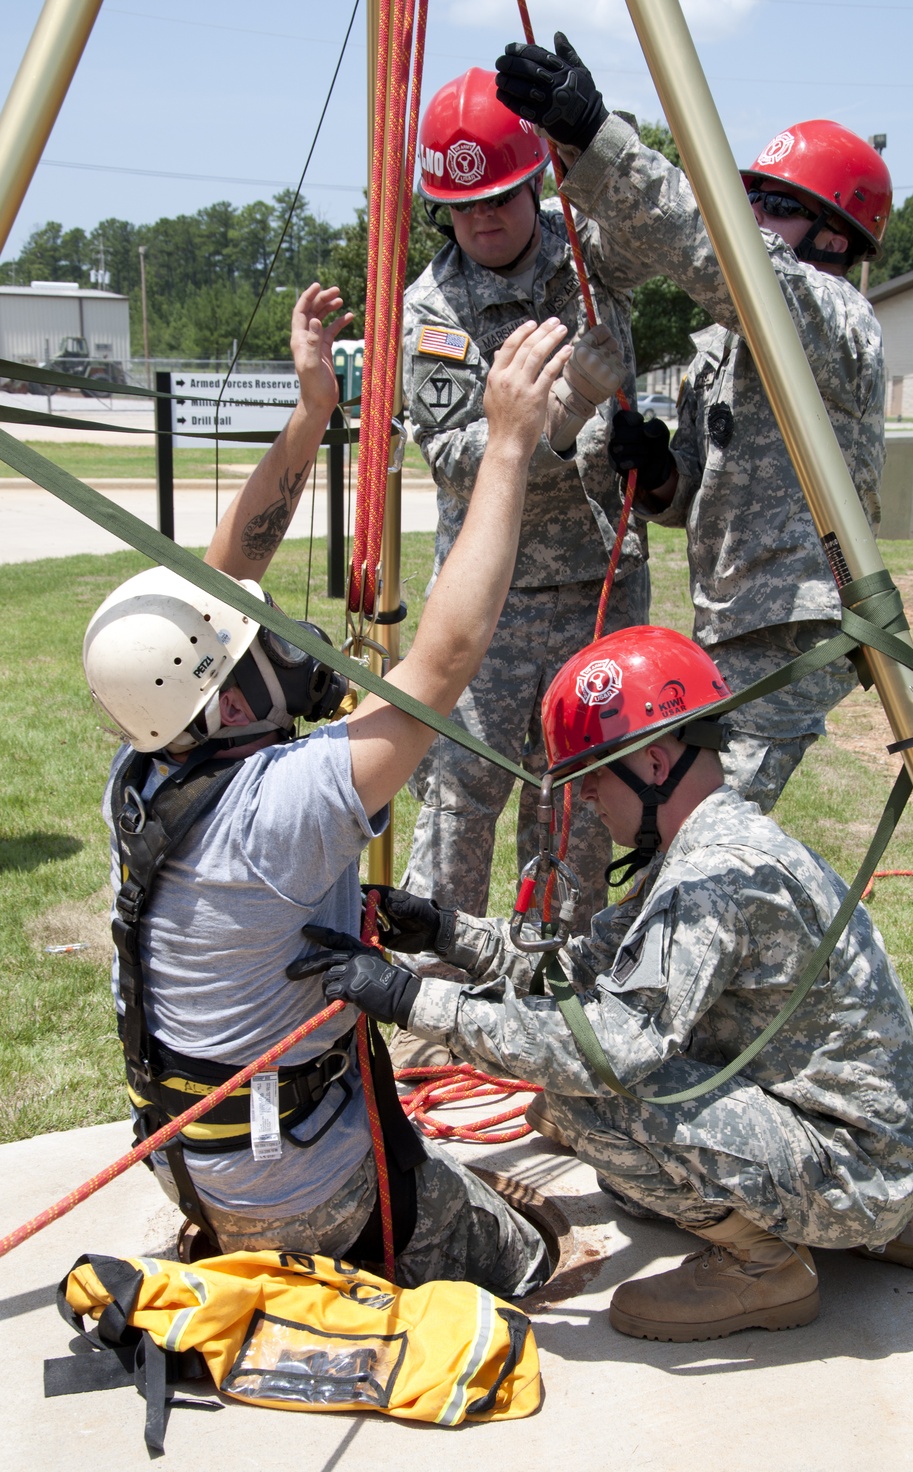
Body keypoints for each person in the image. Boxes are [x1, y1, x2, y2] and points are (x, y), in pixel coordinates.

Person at [82, 283, 574, 1298]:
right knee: (529, 1246)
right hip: (305, 1188)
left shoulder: (147, 770)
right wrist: (511, 444)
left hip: (204, 1169)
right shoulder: (279, 809)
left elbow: (218, 583)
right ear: (224, 702)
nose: (277, 642)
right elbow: (444, 660)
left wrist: (312, 414)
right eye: (259, 649)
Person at [308, 623, 913, 1342]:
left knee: (592, 1100)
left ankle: (768, 1268)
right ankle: (802, 1212)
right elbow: (578, 971)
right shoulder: (702, 852)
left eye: (591, 774)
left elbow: (603, 1048)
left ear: (653, 764)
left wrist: (411, 1000)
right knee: (614, 1141)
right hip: (846, 1137)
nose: (584, 798)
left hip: (858, 1165)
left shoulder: (712, 882)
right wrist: (442, 932)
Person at [495, 36, 891, 812]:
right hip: (736, 621)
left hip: (795, 624)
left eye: (777, 204)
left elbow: (727, 260)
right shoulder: (732, 344)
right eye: (752, 199)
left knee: (697, 823)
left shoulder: (837, 321)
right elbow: (695, 500)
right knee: (671, 819)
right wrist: (664, 479)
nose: (753, 215)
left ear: (836, 236)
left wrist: (599, 140)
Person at [401, 65, 650, 935]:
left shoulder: (589, 252)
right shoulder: (430, 308)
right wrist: (560, 414)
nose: (484, 219)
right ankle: (437, 984)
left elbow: (663, 227)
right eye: (463, 206)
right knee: (461, 794)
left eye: (501, 196)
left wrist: (592, 135)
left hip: (599, 589)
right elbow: (456, 458)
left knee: (580, 801)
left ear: (533, 180)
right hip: (489, 601)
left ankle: (557, 980)